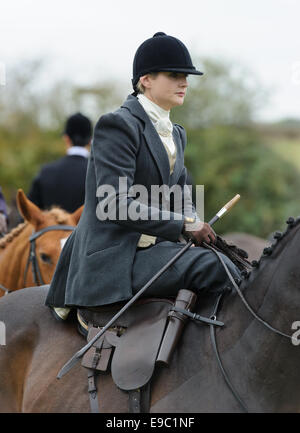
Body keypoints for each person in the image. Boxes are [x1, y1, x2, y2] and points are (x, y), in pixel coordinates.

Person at [45, 32, 241, 319]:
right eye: (174, 75)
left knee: (226, 261)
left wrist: (194, 219)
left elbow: (182, 192)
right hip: (115, 257)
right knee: (216, 267)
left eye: (186, 76)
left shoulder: (176, 133)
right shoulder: (118, 125)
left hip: (154, 250)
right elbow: (114, 204)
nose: (184, 82)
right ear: (145, 80)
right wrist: (185, 224)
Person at [28, 113, 92, 213]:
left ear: (66, 138)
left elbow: (28, 213)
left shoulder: (46, 172)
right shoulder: (98, 172)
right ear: (90, 141)